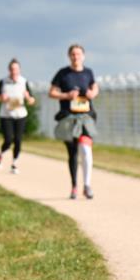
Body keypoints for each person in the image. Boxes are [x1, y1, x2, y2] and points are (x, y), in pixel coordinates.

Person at [49, 43, 99, 199]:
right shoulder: (63, 74)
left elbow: (95, 88)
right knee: (73, 153)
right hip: (68, 118)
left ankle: (87, 185)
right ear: (69, 56)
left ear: (83, 56)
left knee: (86, 149)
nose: (76, 57)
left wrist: (92, 94)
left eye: (78, 54)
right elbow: (51, 92)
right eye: (73, 54)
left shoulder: (88, 72)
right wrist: (66, 95)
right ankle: (74, 186)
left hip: (85, 117)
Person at [0, 58, 35, 174]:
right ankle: (0, 155)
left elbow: (32, 100)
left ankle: (14, 163)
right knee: (8, 140)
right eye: (12, 69)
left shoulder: (24, 82)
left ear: (19, 70)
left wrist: (28, 98)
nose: (14, 71)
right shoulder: (3, 82)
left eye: (16, 69)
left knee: (18, 140)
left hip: (20, 114)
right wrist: (1, 98)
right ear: (9, 70)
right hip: (6, 115)